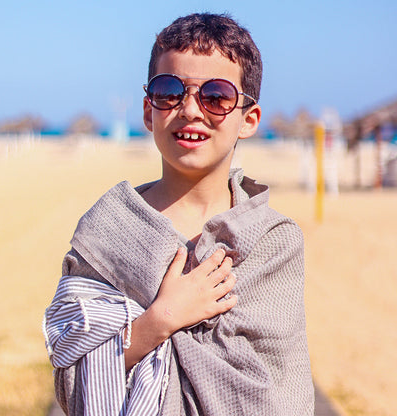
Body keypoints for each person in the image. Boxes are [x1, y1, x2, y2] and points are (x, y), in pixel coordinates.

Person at [43, 12, 314, 415]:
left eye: (216, 96)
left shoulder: (273, 240)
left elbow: (283, 388)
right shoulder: (109, 230)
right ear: (149, 111)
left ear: (248, 119)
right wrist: (163, 318)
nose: (190, 109)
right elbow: (73, 379)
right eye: (170, 91)